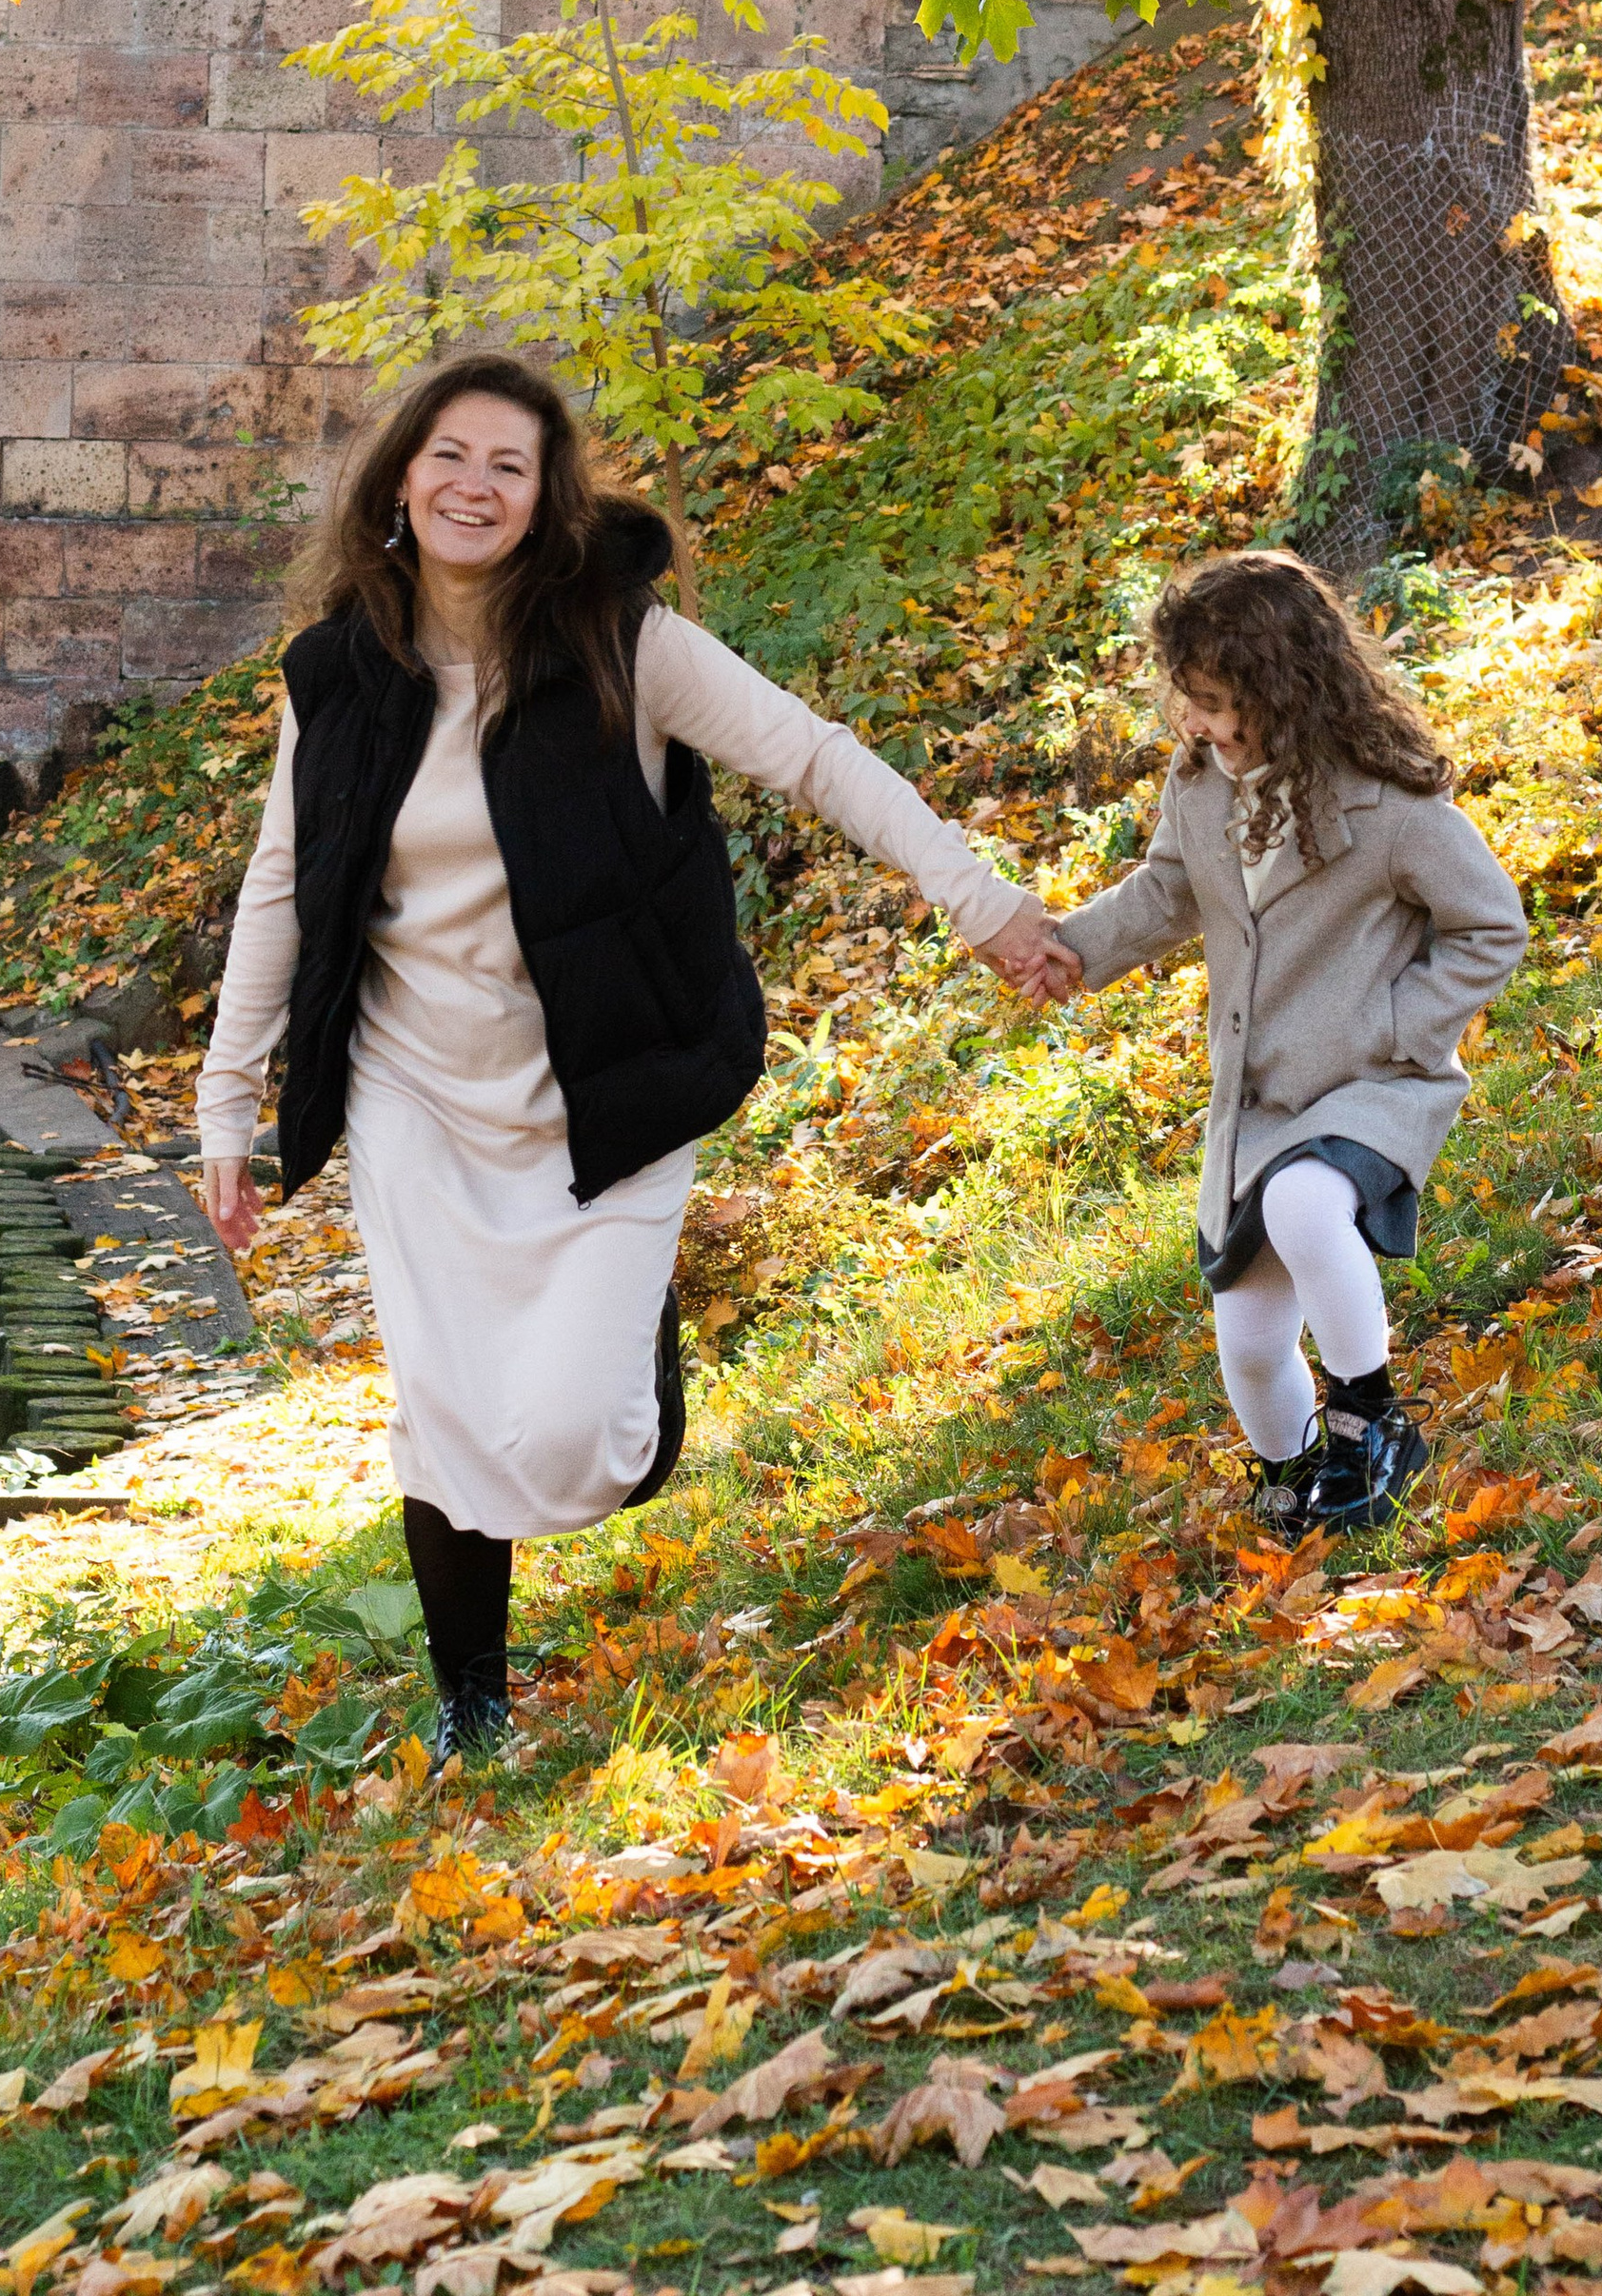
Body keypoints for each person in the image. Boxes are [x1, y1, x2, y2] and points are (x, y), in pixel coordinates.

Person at [196, 350, 1076, 1761]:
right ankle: (471, 1706)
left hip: (606, 1085)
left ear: (546, 500)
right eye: (449, 456)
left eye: (509, 465)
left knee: (575, 1437)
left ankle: (638, 1372)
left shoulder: (623, 644)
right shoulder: (337, 674)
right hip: (414, 1090)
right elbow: (285, 886)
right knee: (442, 1407)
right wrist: (224, 1104)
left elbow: (818, 759)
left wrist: (981, 904)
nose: (472, 485)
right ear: (399, 478)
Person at [1038, 550, 1527, 1534]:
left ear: (1282, 688)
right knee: (1253, 1340)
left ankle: (1373, 1422)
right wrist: (1067, 951)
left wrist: (1396, 1024)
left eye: (1219, 701)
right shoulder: (1201, 790)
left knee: (1310, 1205)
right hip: (1255, 1102)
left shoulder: (1388, 807)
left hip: (1366, 1083)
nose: (1200, 723)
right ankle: (1291, 1478)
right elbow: (1166, 895)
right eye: (1189, 700)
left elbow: (1491, 925)